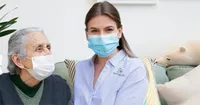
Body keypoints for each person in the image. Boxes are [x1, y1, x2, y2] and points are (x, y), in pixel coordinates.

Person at [73, 1, 148, 105]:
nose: (101, 36)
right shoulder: (81, 67)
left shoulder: (134, 68)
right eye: (94, 31)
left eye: (108, 29)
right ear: (87, 35)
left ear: (119, 32)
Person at [0, 27, 71, 105]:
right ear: (18, 60)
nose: (48, 53)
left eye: (48, 47)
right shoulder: (2, 88)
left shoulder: (60, 86)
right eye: (39, 49)